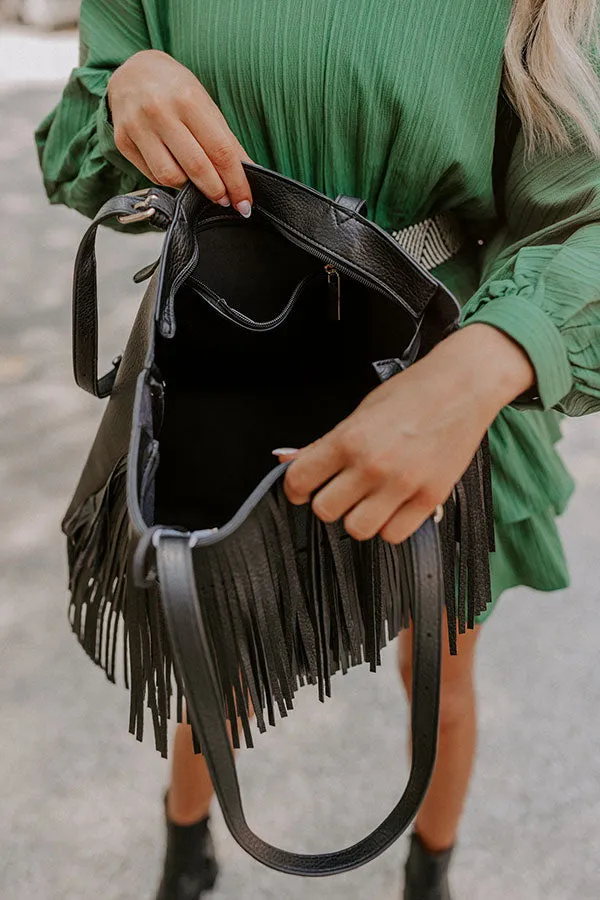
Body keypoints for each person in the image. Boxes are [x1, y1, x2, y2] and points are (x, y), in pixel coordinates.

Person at [34, 1, 600, 898]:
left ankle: (430, 876)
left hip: (436, 366)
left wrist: (489, 361)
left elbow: (587, 219)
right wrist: (125, 93)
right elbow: (75, 145)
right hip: (229, 349)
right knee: (221, 644)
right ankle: (186, 851)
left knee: (441, 674)